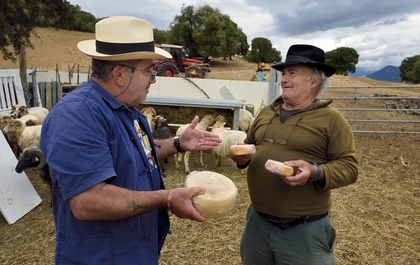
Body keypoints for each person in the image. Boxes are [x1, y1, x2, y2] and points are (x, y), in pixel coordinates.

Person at [40, 16, 221, 264]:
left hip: (133, 252)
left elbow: (138, 153)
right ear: (120, 74)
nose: (154, 79)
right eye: (149, 70)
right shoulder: (77, 115)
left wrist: (178, 143)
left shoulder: (126, 110)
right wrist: (166, 199)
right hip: (100, 258)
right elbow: (87, 201)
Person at [230, 44, 359, 264]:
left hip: (304, 232)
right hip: (257, 226)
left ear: (314, 80)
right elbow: (250, 146)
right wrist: (242, 160)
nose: (283, 79)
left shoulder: (332, 120)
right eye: (284, 73)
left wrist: (315, 171)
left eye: (292, 73)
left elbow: (349, 167)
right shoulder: (266, 112)